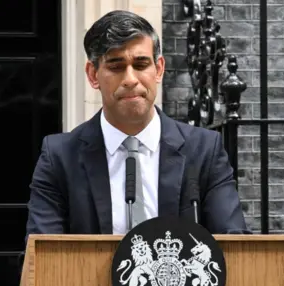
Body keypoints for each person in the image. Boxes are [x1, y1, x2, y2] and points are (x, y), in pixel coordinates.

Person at [25, 10, 248, 237]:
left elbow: (235, 246)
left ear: (159, 69)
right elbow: (41, 256)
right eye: (116, 66)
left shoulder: (204, 151)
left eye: (141, 65)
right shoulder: (60, 158)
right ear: (93, 75)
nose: (130, 79)